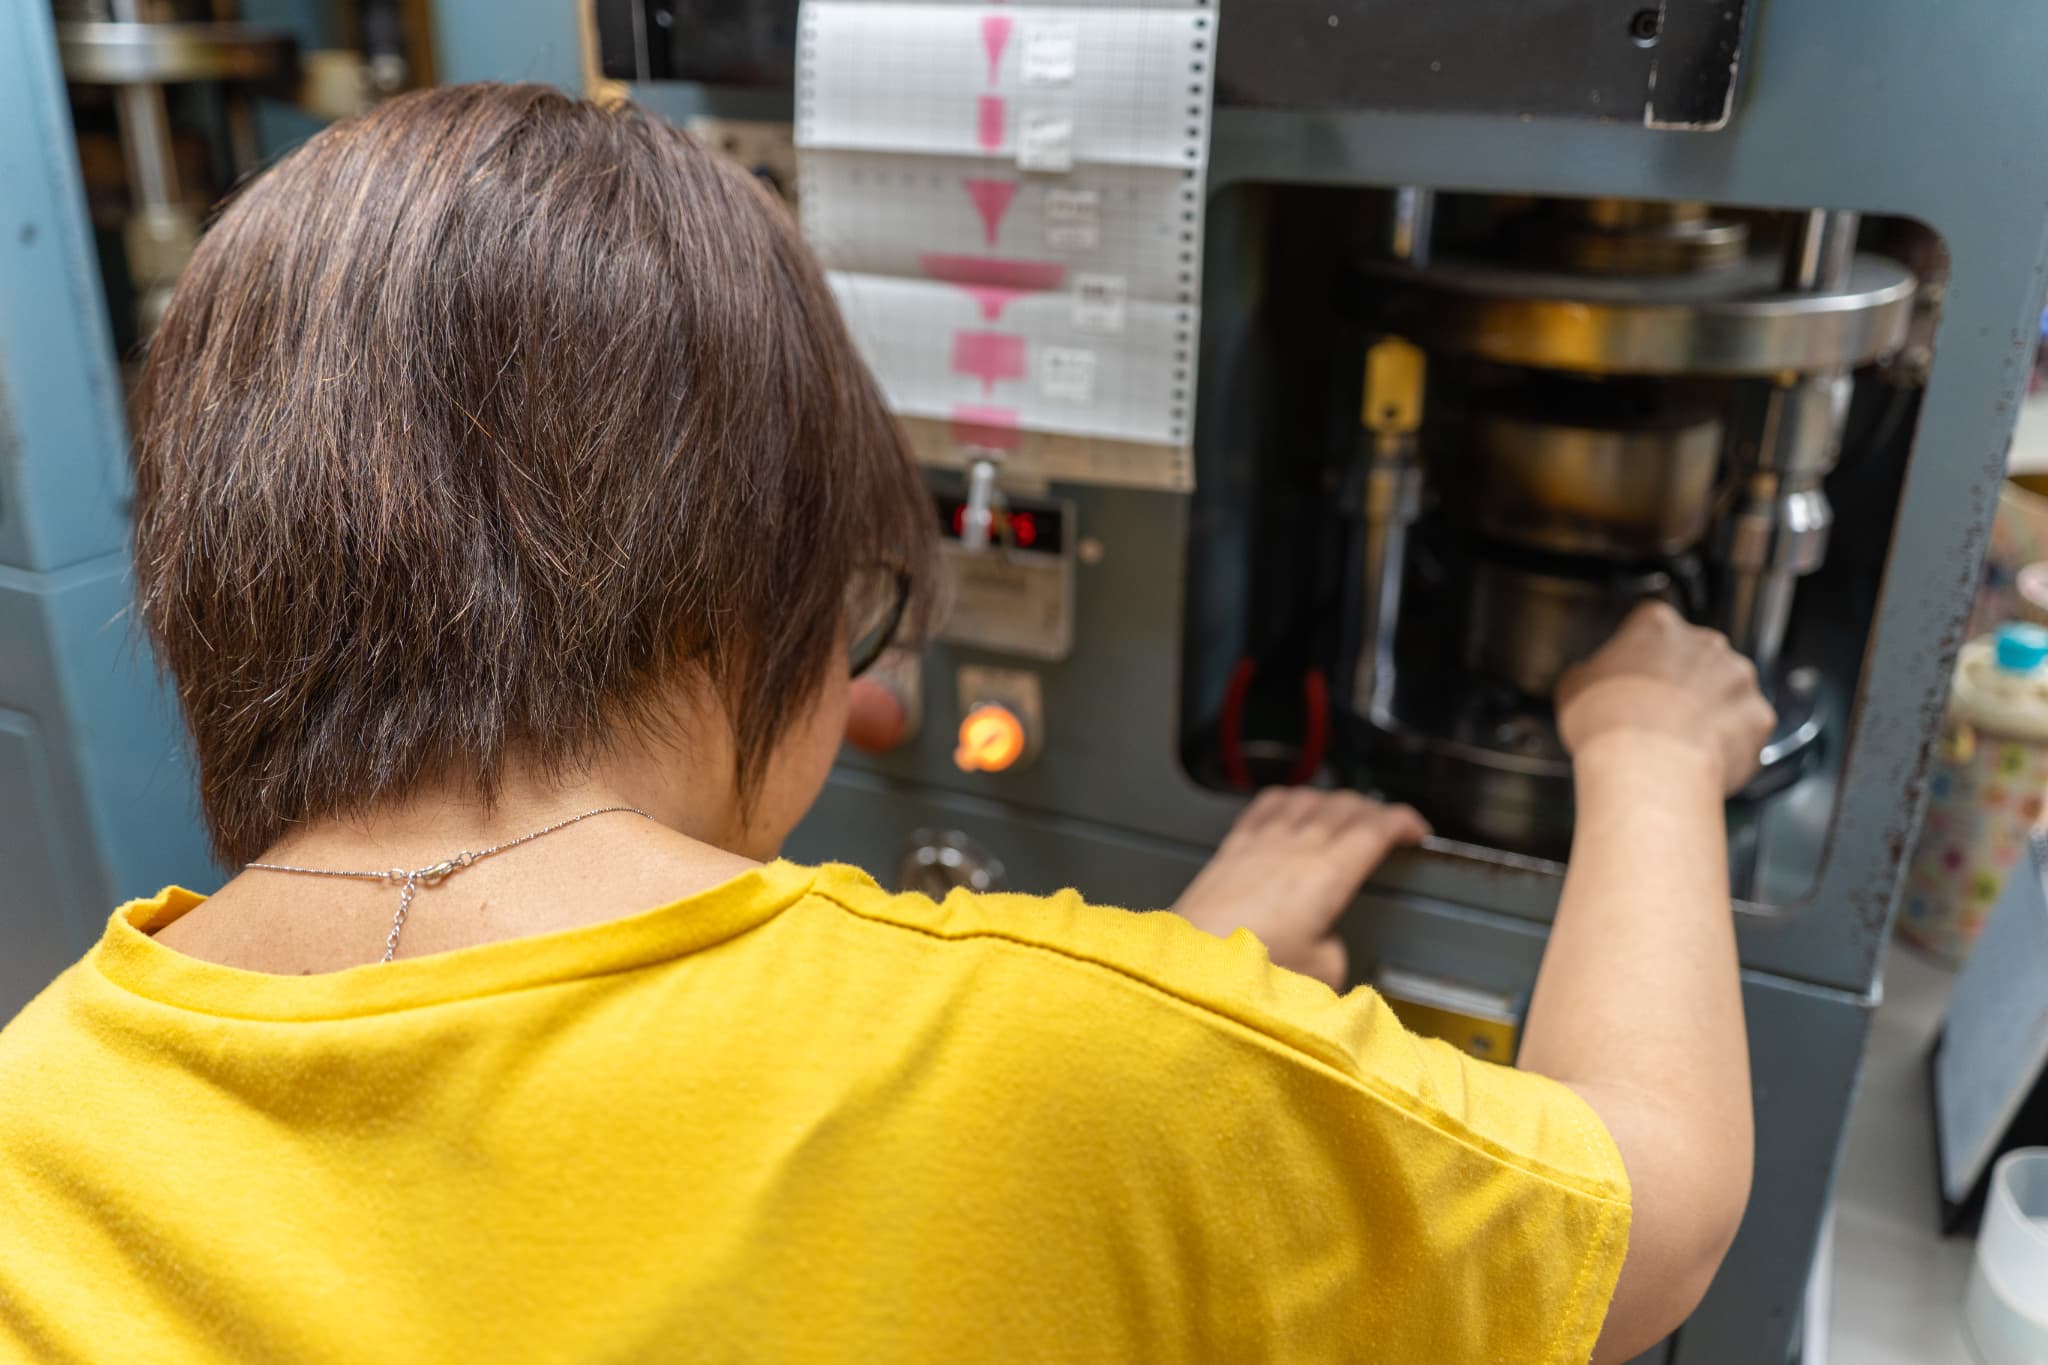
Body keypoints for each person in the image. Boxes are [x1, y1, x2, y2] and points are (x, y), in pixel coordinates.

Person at [0, 84, 1772, 1364]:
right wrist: (1648, 748)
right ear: (744, 594)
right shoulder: (1093, 1071)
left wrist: (1166, 988)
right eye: (847, 615)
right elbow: (1660, 1211)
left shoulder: (40, 1102)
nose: (863, 700)